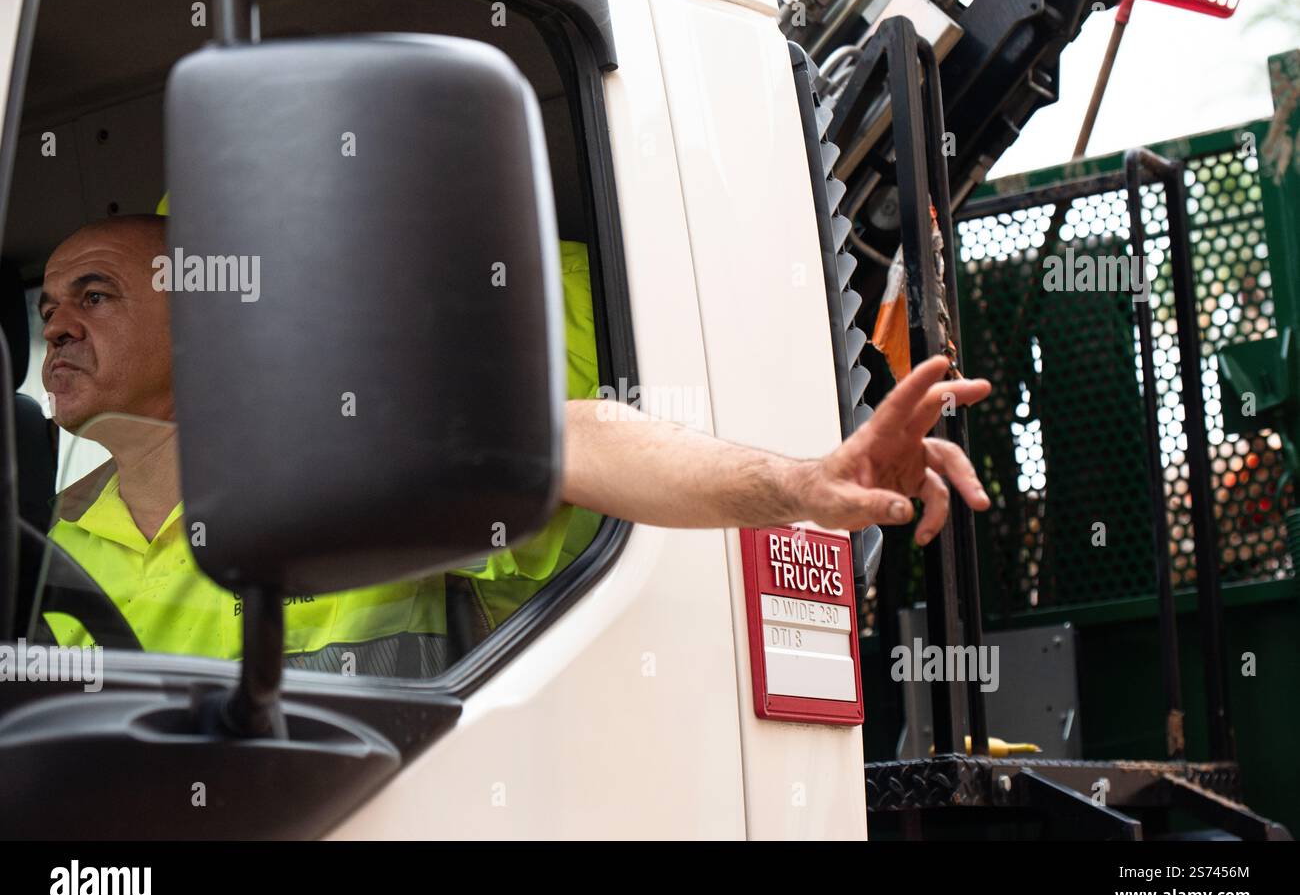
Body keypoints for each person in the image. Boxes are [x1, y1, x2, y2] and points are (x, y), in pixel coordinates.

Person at [36, 215, 991, 671]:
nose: (58, 328)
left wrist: (803, 480)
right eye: (46, 309)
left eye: (95, 295)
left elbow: (573, 439)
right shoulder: (43, 549)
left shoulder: (348, 474)